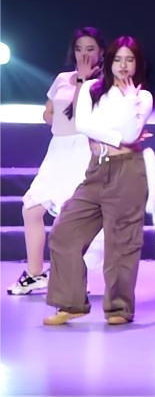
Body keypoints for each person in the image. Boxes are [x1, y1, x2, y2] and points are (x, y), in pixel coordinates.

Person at [44, 36, 155, 326]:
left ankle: (119, 308)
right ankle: (71, 302)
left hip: (128, 171)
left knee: (122, 244)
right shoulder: (92, 89)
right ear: (109, 61)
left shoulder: (141, 97)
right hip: (96, 170)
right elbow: (82, 124)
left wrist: (123, 112)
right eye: (118, 59)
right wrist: (116, 136)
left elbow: (131, 134)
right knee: (64, 233)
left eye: (129, 60)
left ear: (137, 64)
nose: (123, 66)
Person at [9, 27, 106, 296]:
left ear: (100, 52)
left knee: (73, 217)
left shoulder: (102, 85)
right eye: (79, 49)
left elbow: (79, 115)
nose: (84, 54)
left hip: (83, 151)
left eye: (90, 49)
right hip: (58, 150)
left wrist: (83, 81)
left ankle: (74, 278)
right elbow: (48, 112)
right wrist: (55, 119)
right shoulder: (63, 78)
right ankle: (35, 273)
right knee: (31, 208)